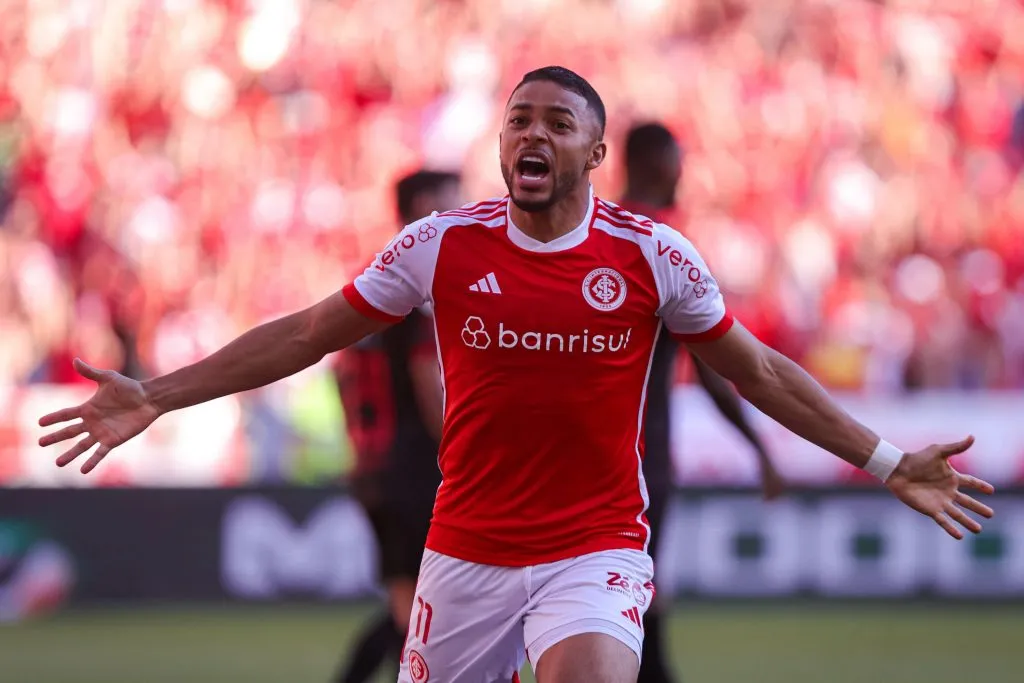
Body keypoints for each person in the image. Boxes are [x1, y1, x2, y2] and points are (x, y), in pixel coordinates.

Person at [38, 66, 995, 683]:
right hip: (464, 553)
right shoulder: (440, 246)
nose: (531, 136)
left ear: (595, 151)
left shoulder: (653, 255)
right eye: (517, 121)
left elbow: (764, 373)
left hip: (595, 546)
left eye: (557, 123)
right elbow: (308, 333)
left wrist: (882, 459)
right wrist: (156, 393)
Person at [618, 122, 784, 683]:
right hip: (642, 457)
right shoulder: (666, 247)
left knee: (619, 589)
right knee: (634, 590)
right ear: (656, 163)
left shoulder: (591, 234)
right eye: (678, 162)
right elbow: (717, 373)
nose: (683, 174)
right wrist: (758, 446)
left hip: (585, 453)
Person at [331, 170, 460, 683]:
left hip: (374, 464)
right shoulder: (420, 282)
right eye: (452, 199)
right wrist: (463, 451)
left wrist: (361, 449)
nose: (464, 208)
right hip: (415, 465)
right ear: (427, 204)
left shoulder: (373, 277)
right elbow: (427, 380)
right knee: (427, 609)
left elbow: (343, 372)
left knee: (409, 602)